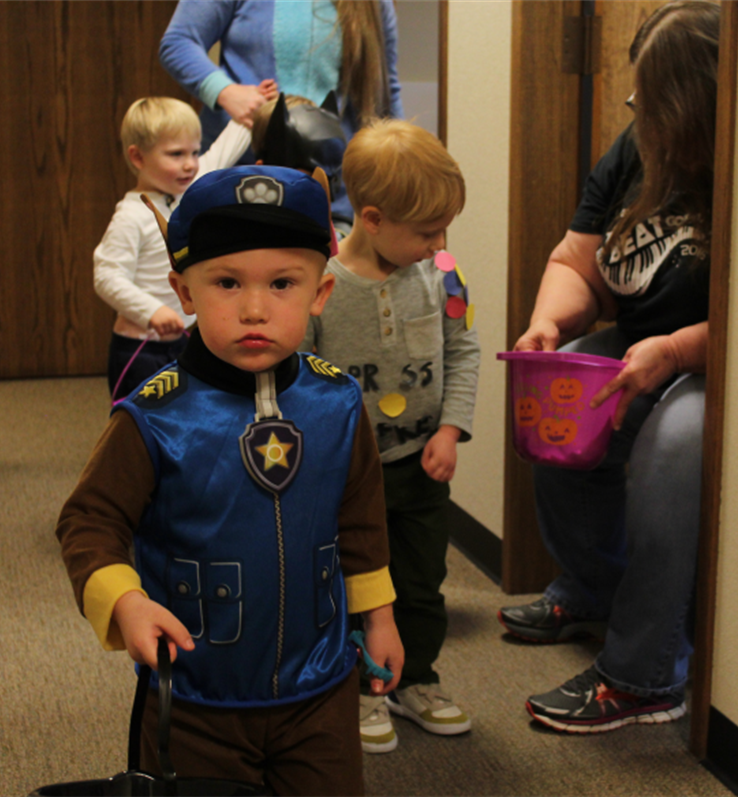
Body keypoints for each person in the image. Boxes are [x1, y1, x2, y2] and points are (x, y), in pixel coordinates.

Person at [57, 165, 404, 794]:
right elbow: (90, 520)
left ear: (320, 293)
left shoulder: (339, 401)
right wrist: (125, 601)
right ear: (183, 293)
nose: (253, 308)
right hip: (195, 697)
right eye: (225, 282)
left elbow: (359, 518)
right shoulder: (154, 416)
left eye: (281, 284)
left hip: (319, 690)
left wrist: (378, 616)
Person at [497, 0, 717, 733]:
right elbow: (575, 256)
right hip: (637, 345)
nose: (637, 111)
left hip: (716, 364)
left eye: (652, 100)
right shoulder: (634, 146)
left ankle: (645, 674)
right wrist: (549, 322)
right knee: (558, 391)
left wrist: (678, 351)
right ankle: (594, 586)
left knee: (675, 447)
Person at [302, 119, 480, 752]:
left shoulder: (445, 272)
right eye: (428, 231)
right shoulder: (322, 285)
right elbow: (302, 377)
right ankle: (361, 685)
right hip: (346, 476)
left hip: (419, 466)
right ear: (372, 219)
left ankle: (417, 680)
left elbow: (464, 350)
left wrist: (452, 429)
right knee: (353, 581)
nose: (441, 241)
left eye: (444, 229)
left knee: (421, 579)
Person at [94, 94, 272, 401]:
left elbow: (223, 151)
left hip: (185, 340)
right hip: (142, 349)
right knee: (141, 423)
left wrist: (254, 102)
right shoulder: (131, 216)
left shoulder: (186, 186)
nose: (190, 164)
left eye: (194, 151)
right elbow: (107, 277)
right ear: (138, 158)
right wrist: (152, 311)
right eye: (176, 154)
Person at [158, 0, 404, 219]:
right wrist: (226, 91)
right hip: (237, 178)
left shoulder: (374, 4)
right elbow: (179, 42)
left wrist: (400, 167)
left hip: (331, 192)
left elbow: (384, 89)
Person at [251, 91, 351, 237]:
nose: (324, 191)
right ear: (262, 171)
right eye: (309, 179)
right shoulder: (247, 237)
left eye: (332, 179)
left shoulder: (338, 237)